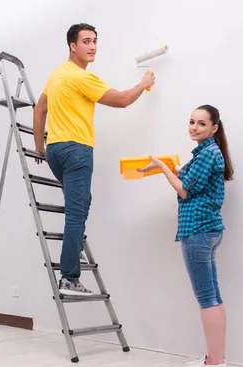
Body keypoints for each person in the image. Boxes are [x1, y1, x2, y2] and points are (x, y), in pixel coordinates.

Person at [32, 23, 155, 296]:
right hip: (77, 151)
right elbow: (122, 100)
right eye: (86, 41)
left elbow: (40, 109)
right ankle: (69, 277)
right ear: (72, 46)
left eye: (95, 41)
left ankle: (71, 258)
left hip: (55, 151)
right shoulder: (82, 78)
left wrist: (40, 147)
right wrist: (143, 85)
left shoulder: (56, 75)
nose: (92, 46)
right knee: (77, 213)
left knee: (82, 203)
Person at [137, 104, 234, 367]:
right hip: (207, 231)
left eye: (201, 123)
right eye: (192, 121)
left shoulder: (208, 153)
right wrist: (169, 167)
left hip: (198, 232)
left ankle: (216, 363)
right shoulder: (206, 152)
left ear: (214, 128)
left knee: (207, 298)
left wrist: (161, 167)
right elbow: (187, 175)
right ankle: (215, 359)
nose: (194, 127)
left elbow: (184, 191)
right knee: (212, 296)